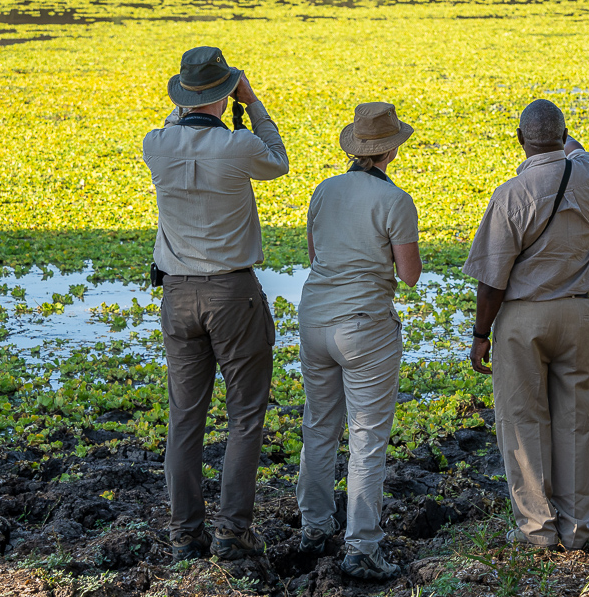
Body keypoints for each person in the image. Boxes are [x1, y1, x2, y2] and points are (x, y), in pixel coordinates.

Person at [143, 46, 289, 562]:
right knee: (245, 415)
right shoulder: (238, 145)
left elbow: (175, 121)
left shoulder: (155, 144)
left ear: (183, 97)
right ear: (225, 96)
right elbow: (279, 161)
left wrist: (210, 98)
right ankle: (232, 531)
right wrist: (251, 101)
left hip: (178, 294)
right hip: (232, 293)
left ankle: (185, 534)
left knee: (185, 417)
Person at [464, 99, 589, 551]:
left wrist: (479, 335)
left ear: (520, 140)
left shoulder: (510, 194)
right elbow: (576, 149)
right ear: (564, 137)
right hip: (578, 314)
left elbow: (492, 282)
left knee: (523, 421)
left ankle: (536, 529)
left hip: (523, 317)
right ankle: (576, 528)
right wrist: (561, 143)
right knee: (577, 422)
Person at [296, 102, 421, 580]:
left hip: (314, 320)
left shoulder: (324, 191)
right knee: (367, 437)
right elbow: (408, 276)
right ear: (390, 150)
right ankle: (362, 547)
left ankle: (313, 528)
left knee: (318, 427)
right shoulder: (395, 201)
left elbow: (314, 255)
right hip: (365, 326)